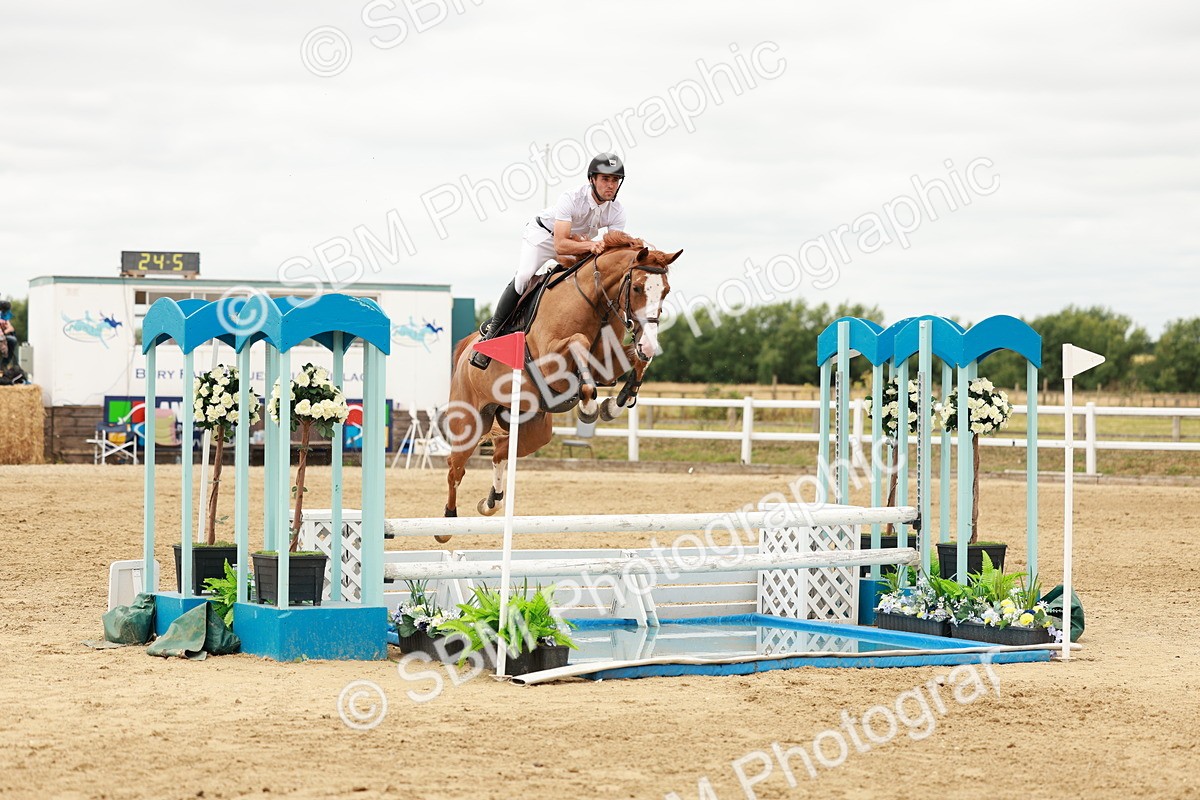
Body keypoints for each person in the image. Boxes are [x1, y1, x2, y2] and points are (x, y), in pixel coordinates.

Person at [470, 152, 628, 369]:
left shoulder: (617, 211)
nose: (610, 185)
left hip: (578, 243)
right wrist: (590, 245)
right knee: (525, 276)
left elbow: (611, 250)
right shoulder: (571, 198)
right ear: (592, 179)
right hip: (544, 237)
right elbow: (561, 245)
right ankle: (492, 333)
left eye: (614, 180)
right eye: (605, 179)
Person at [0, 301, 17, 371]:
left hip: (2, 336)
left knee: (12, 340)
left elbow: (11, 328)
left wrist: (4, 331)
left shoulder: (4, 317)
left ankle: (4, 364)